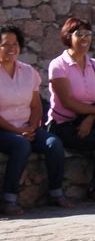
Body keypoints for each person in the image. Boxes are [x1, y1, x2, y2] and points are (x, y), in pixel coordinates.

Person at [0, 24, 71, 215]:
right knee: (21, 145)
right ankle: (9, 199)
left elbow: (36, 105)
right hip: (4, 131)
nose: (11, 48)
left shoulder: (28, 71)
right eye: (6, 44)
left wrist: (32, 127)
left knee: (53, 143)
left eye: (15, 44)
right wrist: (18, 132)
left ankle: (56, 193)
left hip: (26, 128)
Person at [47, 18, 95, 202]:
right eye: (79, 33)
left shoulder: (94, 64)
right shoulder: (58, 65)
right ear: (68, 36)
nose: (85, 37)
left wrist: (90, 118)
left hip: (88, 123)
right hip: (65, 125)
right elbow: (68, 102)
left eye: (88, 33)